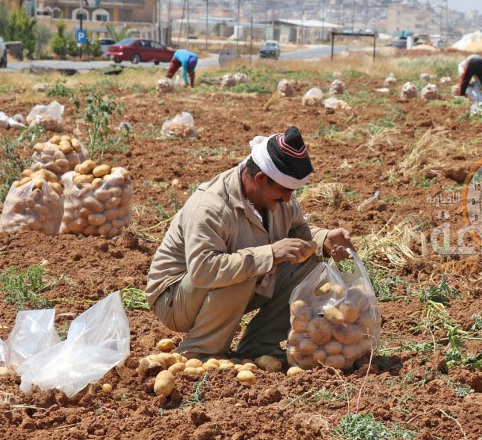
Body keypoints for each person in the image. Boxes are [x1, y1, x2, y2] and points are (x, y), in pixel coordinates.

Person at [145, 126, 353, 360]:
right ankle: (200, 351)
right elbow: (203, 270)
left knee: (309, 266)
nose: (288, 198)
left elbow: (297, 231)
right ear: (260, 178)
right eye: (284, 190)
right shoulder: (211, 206)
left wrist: (323, 239)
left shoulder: (280, 198)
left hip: (227, 288)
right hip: (175, 299)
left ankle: (259, 346)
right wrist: (270, 254)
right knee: (247, 268)